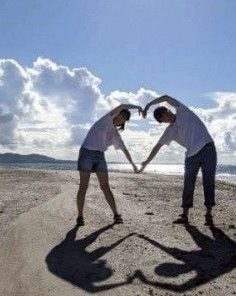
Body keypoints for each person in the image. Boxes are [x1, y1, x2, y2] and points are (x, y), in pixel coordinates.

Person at [139, 95, 217, 226]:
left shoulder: (183, 111)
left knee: (208, 181)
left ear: (168, 110)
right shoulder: (169, 131)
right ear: (162, 121)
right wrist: (146, 161)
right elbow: (157, 146)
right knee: (188, 184)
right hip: (191, 155)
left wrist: (148, 105)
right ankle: (185, 215)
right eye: (163, 118)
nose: (166, 116)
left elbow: (165, 97)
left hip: (208, 148)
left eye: (165, 112)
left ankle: (208, 215)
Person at [76, 104, 140, 226]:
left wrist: (133, 164)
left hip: (100, 156)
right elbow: (122, 105)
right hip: (86, 152)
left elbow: (124, 149)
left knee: (105, 186)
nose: (120, 118)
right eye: (120, 115)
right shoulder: (106, 120)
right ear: (117, 113)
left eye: (123, 119)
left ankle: (116, 214)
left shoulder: (115, 134)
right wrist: (138, 107)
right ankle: (80, 216)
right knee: (84, 186)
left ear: (124, 122)